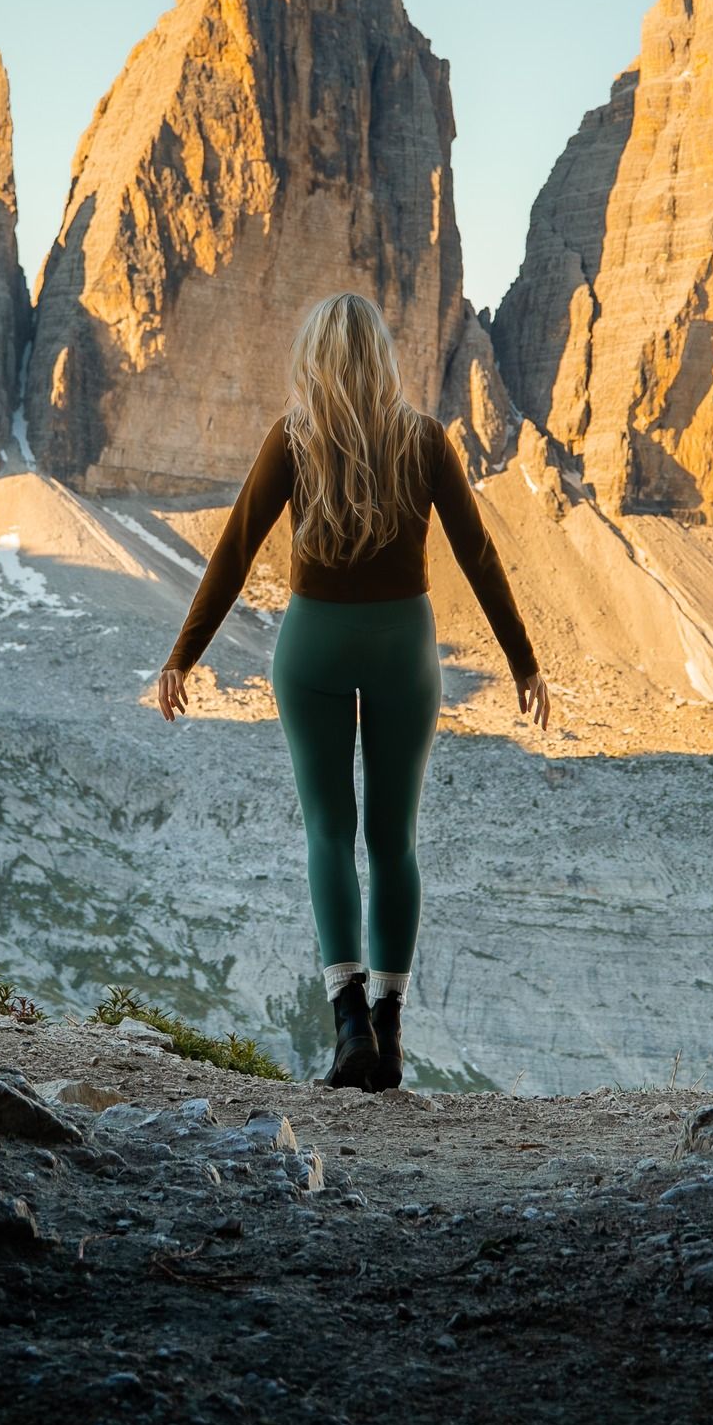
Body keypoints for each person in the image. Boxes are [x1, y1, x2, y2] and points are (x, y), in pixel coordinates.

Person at [155, 292, 550, 1091]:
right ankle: (392, 1031)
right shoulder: (425, 441)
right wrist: (522, 661)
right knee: (393, 840)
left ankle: (348, 1028)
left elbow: (233, 551)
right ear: (382, 359)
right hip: (405, 647)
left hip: (314, 646)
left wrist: (182, 656)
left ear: (316, 362)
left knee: (329, 835)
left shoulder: (292, 440)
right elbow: (478, 555)